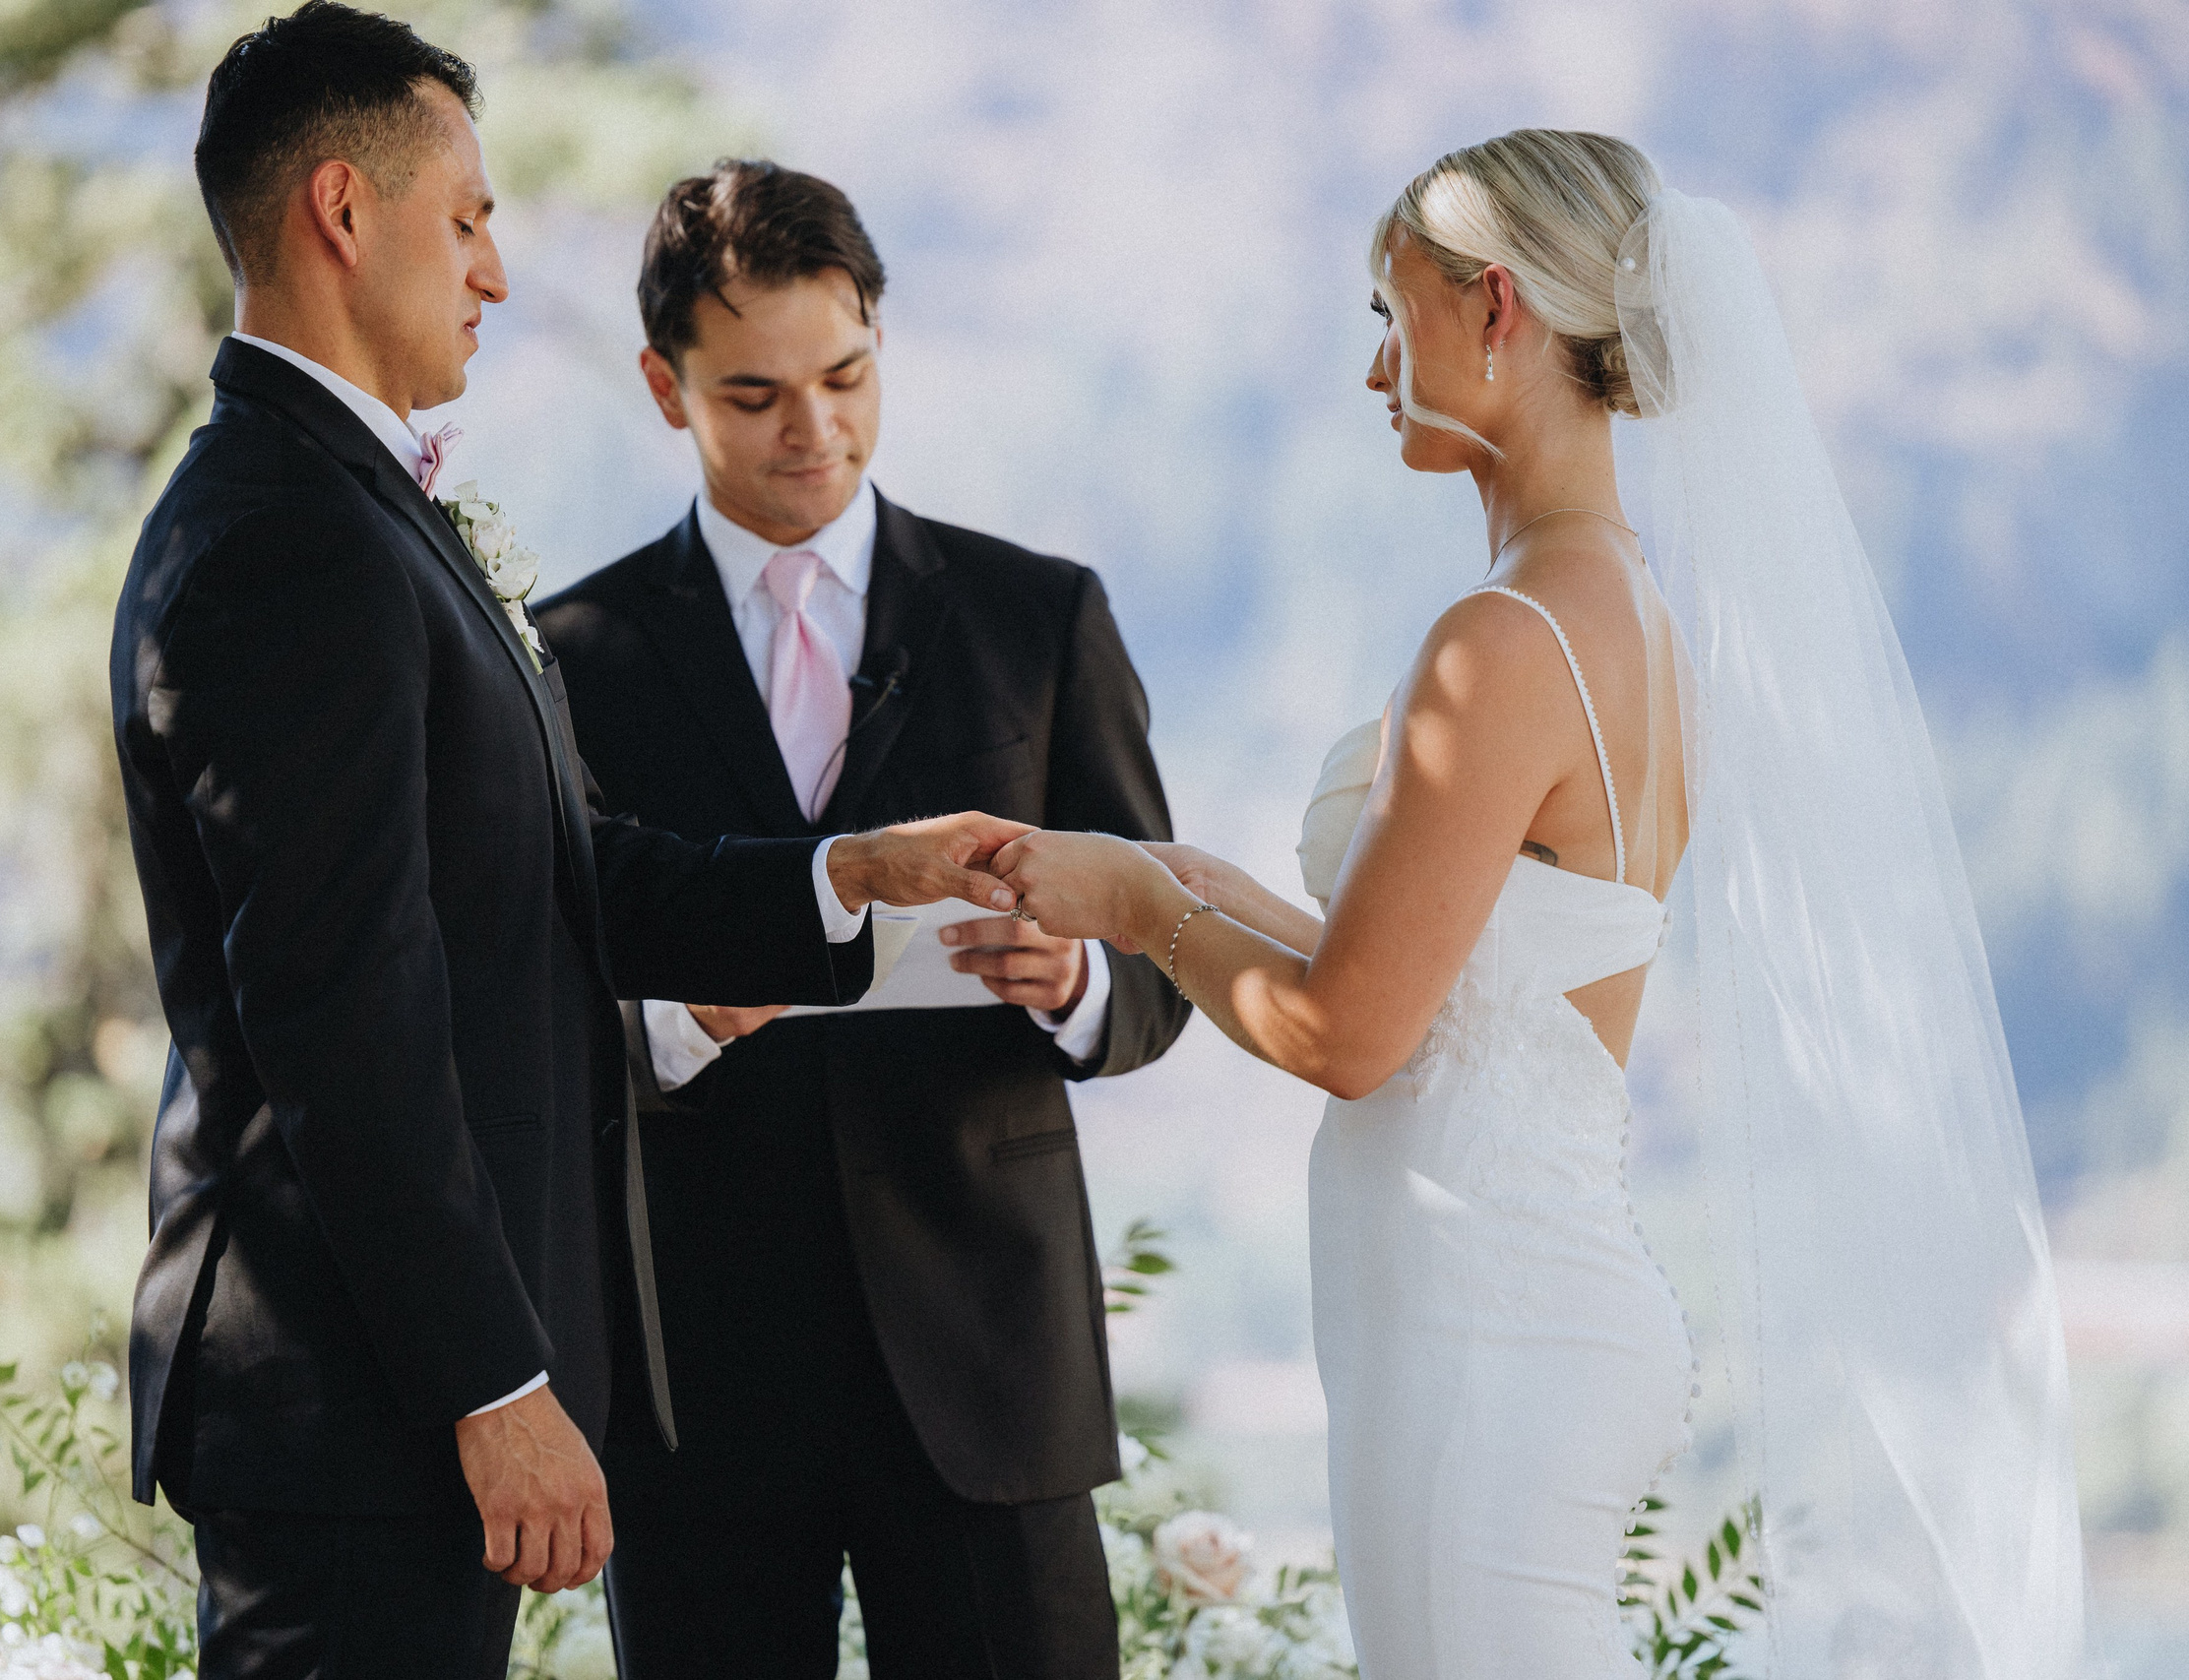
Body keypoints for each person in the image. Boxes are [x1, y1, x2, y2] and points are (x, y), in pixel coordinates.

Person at [991, 130, 2088, 1677]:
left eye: (1393, 313)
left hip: (1481, 1343)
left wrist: (1126, 903)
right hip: (1518, 1313)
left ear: (1495, 310)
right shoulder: (1628, 615)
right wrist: (1212, 889)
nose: (1378, 367)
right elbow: (1470, 991)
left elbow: (1350, 1035)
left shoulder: (1500, 641)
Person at [107, 11, 1028, 1677]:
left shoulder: (353, 511)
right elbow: (341, 1011)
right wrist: (492, 1380)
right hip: (355, 1399)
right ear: (341, 211)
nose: (496, 272)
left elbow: (562, 873)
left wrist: (840, 875)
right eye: (466, 219)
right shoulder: (287, 542)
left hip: (383, 1404)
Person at [532, 159, 1188, 1680]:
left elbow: (1168, 961)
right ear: (662, 384)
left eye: (844, 376)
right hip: (703, 1381)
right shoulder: (570, 657)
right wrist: (682, 1022)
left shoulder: (1041, 619)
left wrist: (1078, 979)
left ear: (881, 337)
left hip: (990, 1367)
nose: (812, 431)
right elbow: (544, 998)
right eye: (754, 395)